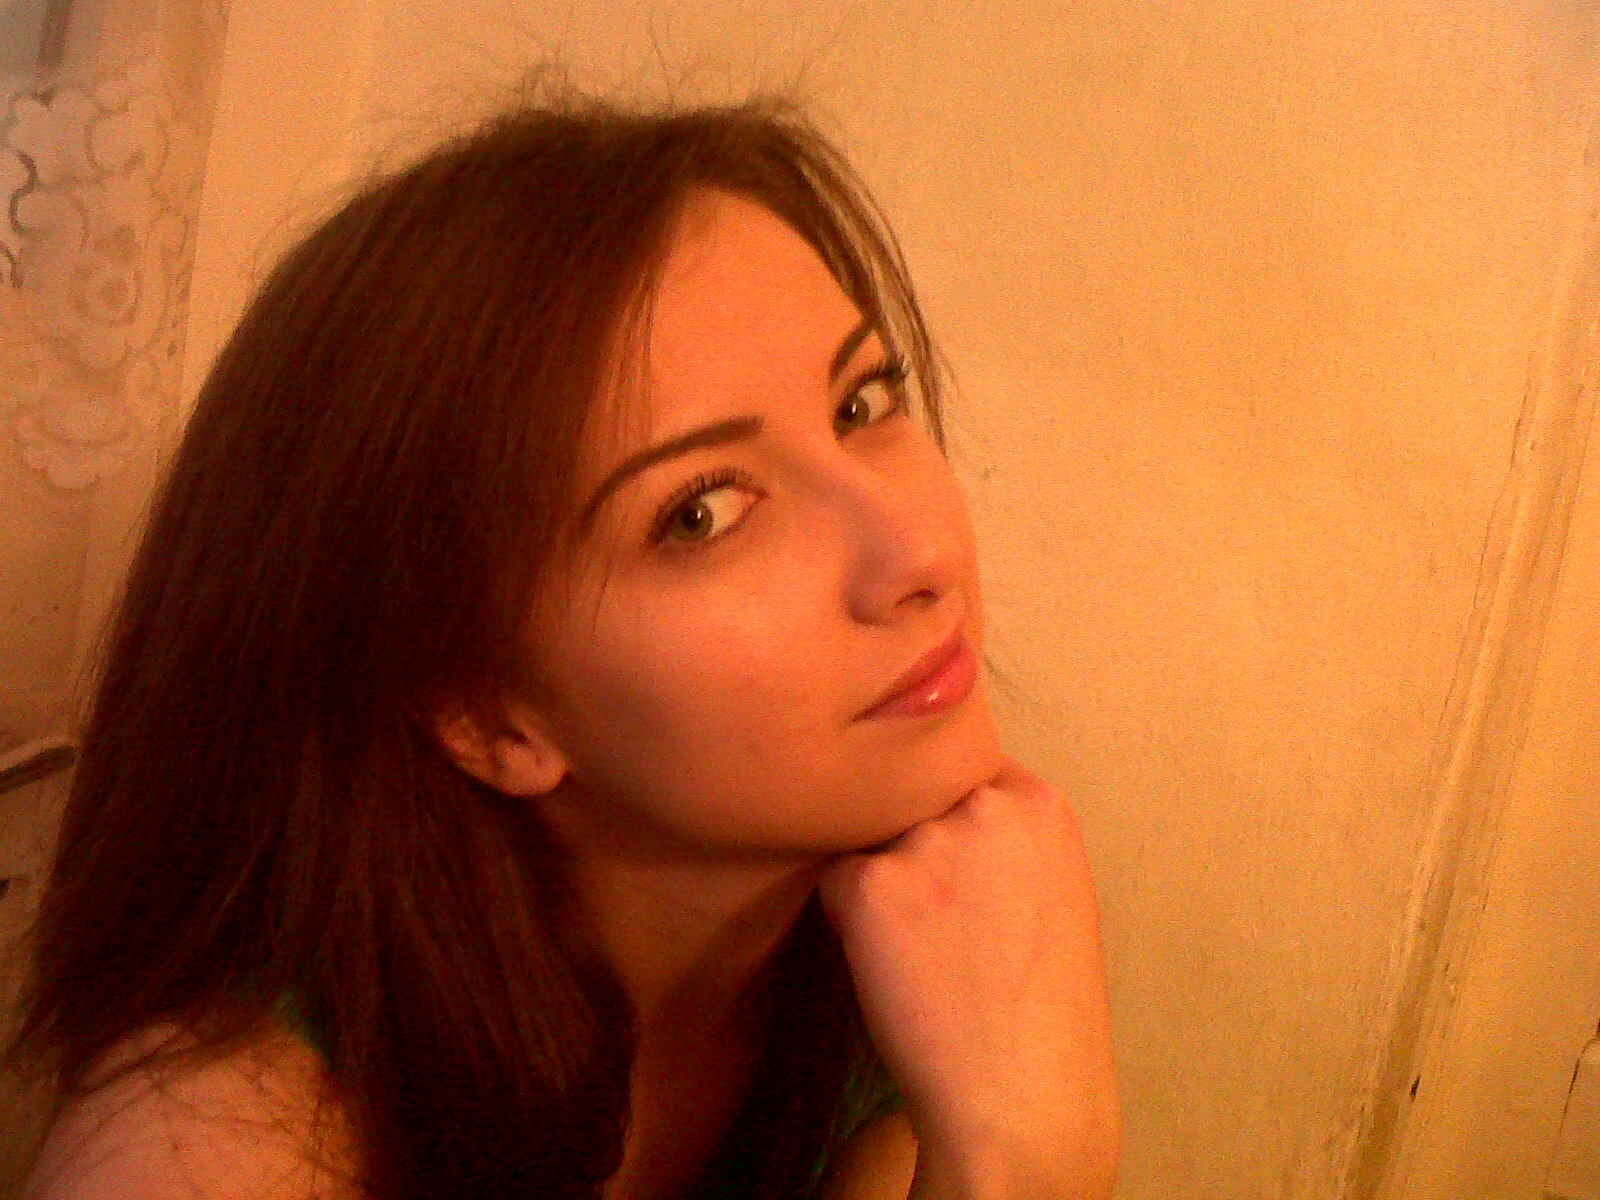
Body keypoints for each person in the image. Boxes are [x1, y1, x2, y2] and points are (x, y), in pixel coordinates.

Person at [2, 91, 1120, 1200]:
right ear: (487, 714)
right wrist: (1023, 1167)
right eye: (702, 513)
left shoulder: (917, 971)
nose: (919, 551)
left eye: (862, 404)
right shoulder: (203, 1143)